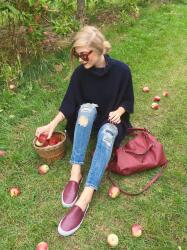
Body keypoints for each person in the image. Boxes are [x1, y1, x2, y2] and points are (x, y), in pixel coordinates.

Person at [35, 25, 134, 237]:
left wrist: (119, 110)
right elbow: (70, 101)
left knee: (107, 132)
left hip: (111, 119)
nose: (80, 59)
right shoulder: (81, 74)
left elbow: (128, 100)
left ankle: (85, 197)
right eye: (76, 54)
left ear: (98, 50)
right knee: (85, 109)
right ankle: (75, 174)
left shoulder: (122, 71)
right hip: (88, 120)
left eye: (83, 54)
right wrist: (52, 124)